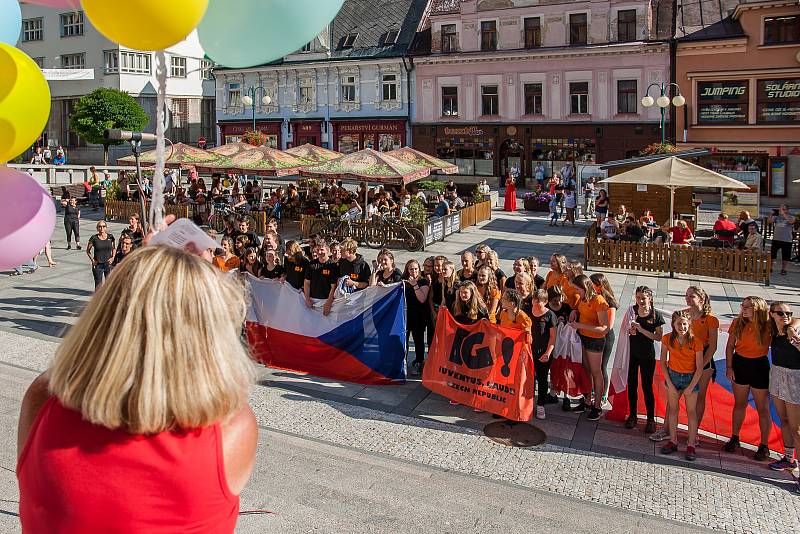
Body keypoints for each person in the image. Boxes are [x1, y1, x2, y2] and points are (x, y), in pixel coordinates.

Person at [17, 245, 258, 532]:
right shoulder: (232, 431)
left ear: (106, 313)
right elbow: (220, 387)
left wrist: (148, 267)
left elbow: (77, 368)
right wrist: (195, 277)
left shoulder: (43, 400)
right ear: (208, 330)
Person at [652, 287, 722, 443]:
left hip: (702, 360)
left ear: (701, 299)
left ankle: (694, 433)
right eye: (686, 295)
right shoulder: (683, 314)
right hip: (681, 361)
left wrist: (700, 366)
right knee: (673, 396)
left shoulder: (711, 320)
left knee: (698, 398)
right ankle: (667, 429)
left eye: (692, 296)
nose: (688, 299)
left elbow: (713, 346)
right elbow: (675, 337)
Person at [724, 296, 773, 461]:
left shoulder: (768, 324)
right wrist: (729, 367)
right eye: (742, 306)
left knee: (763, 408)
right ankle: (735, 437)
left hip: (760, 366)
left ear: (757, 308)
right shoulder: (738, 322)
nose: (743, 309)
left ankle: (764, 445)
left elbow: (792, 321)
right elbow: (730, 345)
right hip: (740, 364)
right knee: (740, 404)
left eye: (747, 307)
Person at [659, 311, 704, 461]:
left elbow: (699, 367)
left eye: (685, 323)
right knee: (673, 409)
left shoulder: (696, 342)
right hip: (673, 376)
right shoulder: (667, 339)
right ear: (673, 324)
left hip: (690, 378)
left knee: (691, 412)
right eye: (679, 323)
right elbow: (662, 362)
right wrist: (669, 383)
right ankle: (673, 440)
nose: (682, 326)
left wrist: (691, 386)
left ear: (689, 324)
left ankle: (691, 445)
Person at [767, 302, 800, 488]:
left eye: (788, 313)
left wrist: (794, 331)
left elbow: (797, 320)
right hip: (777, 375)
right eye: (780, 313)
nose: (785, 316)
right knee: (784, 421)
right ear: (772, 314)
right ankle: (789, 459)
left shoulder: (794, 331)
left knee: (796, 429)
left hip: (795, 378)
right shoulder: (773, 331)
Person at [568, 274, 610, 421]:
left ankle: (597, 406)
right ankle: (587, 401)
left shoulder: (599, 301)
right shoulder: (583, 299)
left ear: (585, 288)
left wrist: (580, 325)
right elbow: (581, 309)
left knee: (596, 372)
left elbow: (604, 328)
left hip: (595, 340)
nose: (576, 292)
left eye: (578, 289)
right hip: (583, 337)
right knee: (587, 370)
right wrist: (575, 311)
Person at [625, 286, 664, 433]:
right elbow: (625, 331)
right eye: (638, 297)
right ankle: (633, 415)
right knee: (632, 384)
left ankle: (650, 419)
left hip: (647, 354)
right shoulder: (632, 311)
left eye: (643, 298)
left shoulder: (655, 315)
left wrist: (641, 329)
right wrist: (631, 331)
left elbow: (658, 337)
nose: (640, 301)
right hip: (633, 353)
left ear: (650, 298)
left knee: (647, 386)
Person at [528, 289, 557, 420]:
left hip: (543, 352)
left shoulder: (550, 315)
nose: (535, 302)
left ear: (545, 302)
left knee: (542, 378)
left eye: (538, 301)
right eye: (534, 299)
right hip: (528, 350)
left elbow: (552, 337)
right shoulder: (528, 311)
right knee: (528, 378)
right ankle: (528, 402)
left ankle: (540, 404)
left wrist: (547, 353)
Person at [590, 273, 618, 408]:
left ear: (599, 286)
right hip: (595, 335)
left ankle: (603, 395)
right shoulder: (593, 298)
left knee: (602, 366)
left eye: (592, 284)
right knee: (593, 367)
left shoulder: (609, 302)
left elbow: (609, 326)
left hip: (606, 337)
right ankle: (594, 392)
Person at [403, 259, 431, 375]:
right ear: (407, 270)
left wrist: (414, 285)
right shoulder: (404, 281)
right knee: (404, 340)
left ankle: (419, 362)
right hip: (406, 314)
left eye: (416, 268)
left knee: (418, 340)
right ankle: (403, 361)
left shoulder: (423, 281)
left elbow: (422, 298)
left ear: (419, 269)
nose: (413, 271)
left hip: (418, 316)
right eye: (411, 269)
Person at [304, 240, 339, 317]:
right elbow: (307, 283)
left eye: (322, 249)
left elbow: (333, 287)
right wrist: (307, 299)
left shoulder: (332, 266)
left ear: (327, 250)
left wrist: (328, 303)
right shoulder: (312, 264)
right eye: (317, 250)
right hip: (312, 301)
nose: (319, 252)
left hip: (326, 302)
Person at [86, 220, 115, 289]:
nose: (101, 228)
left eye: (103, 226)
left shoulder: (110, 237)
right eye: (100, 227)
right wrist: (93, 260)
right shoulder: (94, 238)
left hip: (108, 264)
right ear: (97, 228)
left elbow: (114, 248)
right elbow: (88, 251)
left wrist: (113, 257)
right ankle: (98, 298)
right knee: (98, 285)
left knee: (109, 284)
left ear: (106, 227)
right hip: (98, 265)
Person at [769, 205, 794, 275]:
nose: (782, 210)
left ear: (787, 210)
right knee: (772, 254)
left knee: (786, 256)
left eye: (784, 209)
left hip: (786, 240)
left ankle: (783, 269)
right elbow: (770, 221)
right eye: (781, 209)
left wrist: (784, 214)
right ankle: (770, 268)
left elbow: (791, 222)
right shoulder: (776, 217)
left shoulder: (791, 217)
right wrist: (771, 214)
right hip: (776, 238)